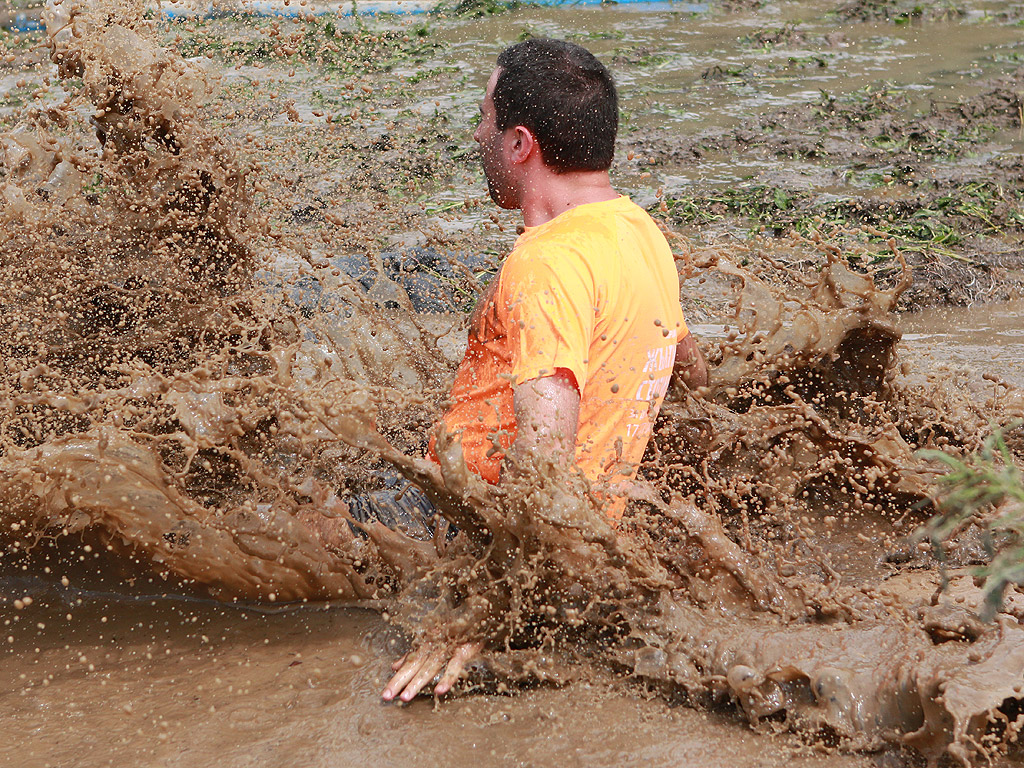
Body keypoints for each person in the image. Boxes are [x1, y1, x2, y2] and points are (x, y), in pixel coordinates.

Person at [377, 38, 708, 703]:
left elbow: (546, 458)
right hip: (574, 539)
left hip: (468, 535)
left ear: (520, 143)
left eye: (486, 117)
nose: (477, 133)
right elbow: (688, 368)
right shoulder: (639, 230)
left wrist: (481, 609)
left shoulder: (546, 263)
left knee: (241, 538)